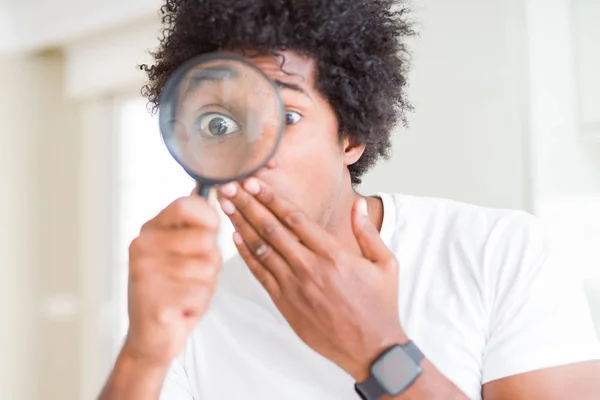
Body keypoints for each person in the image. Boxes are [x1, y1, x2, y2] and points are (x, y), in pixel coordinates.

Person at [98, 0, 600, 399]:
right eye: (218, 124)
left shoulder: (500, 252)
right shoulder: (193, 313)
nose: (250, 152)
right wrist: (144, 352)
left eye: (287, 116)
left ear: (350, 136)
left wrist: (378, 351)